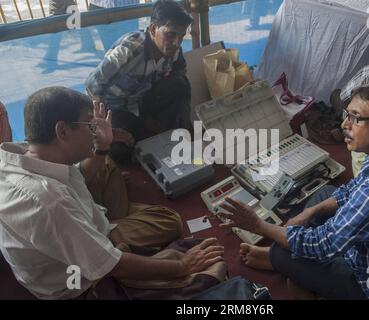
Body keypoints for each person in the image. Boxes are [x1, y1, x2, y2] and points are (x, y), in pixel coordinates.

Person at [218, 79, 369, 299]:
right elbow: (350, 191)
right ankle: (294, 267)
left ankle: (283, 263)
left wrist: (258, 225)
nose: (344, 125)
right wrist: (308, 213)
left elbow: (322, 244)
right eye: (347, 114)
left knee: (282, 251)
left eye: (356, 119)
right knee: (325, 195)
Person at [0, 87, 224, 299]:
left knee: (109, 167)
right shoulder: (48, 201)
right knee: (213, 267)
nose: (95, 132)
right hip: (80, 284)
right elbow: (110, 264)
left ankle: (119, 237)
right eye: (90, 125)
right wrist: (182, 266)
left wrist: (103, 147)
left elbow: (76, 179)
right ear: (63, 131)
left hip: (83, 241)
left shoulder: (25, 153)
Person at [85, 0, 193, 164]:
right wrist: (110, 129)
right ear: (152, 29)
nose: (176, 43)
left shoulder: (174, 50)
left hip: (143, 102)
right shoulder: (129, 49)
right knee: (121, 150)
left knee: (180, 83)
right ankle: (147, 133)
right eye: (170, 34)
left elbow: (179, 72)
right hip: (116, 109)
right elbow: (92, 86)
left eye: (182, 36)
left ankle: (182, 135)